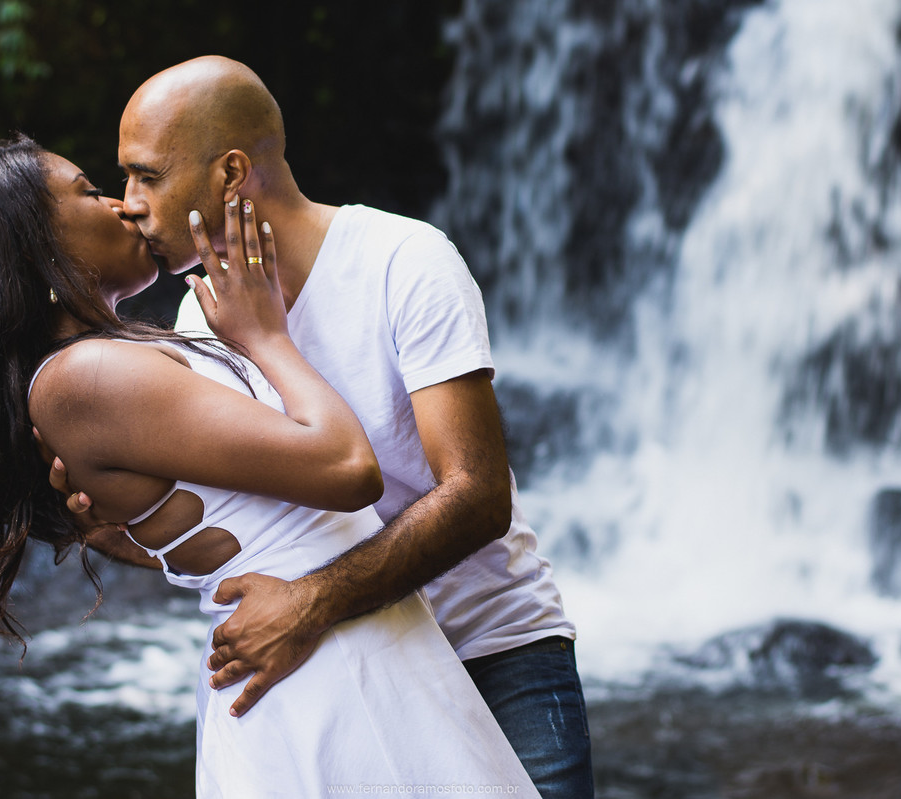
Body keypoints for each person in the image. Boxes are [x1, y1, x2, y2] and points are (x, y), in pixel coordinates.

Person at [0, 133, 540, 797]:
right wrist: (267, 336)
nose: (123, 207)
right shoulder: (88, 375)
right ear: (31, 243)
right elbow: (350, 469)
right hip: (333, 677)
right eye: (90, 192)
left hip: (342, 650)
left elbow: (232, 521)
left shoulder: (110, 361)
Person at [56, 55, 593, 797]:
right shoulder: (194, 317)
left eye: (146, 175)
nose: (130, 203)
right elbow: (265, 537)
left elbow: (476, 495)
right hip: (358, 660)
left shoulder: (404, 261)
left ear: (231, 172)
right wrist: (123, 533)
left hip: (493, 650)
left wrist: (309, 604)